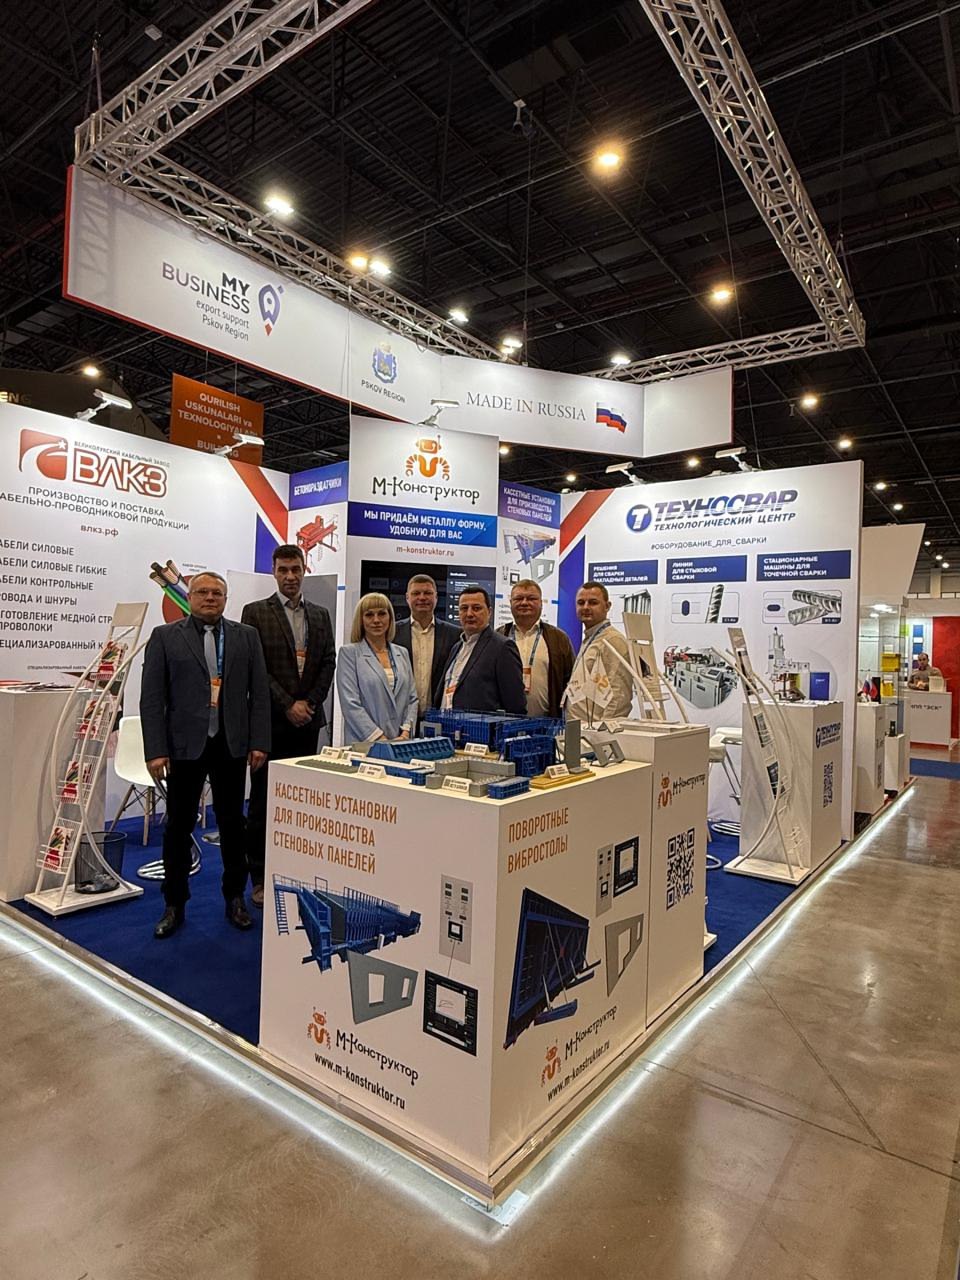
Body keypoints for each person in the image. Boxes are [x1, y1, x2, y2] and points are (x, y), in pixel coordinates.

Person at [140, 571, 270, 940]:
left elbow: (259, 693)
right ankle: (174, 904)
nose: (210, 598)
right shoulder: (165, 637)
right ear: (189, 597)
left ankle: (235, 898)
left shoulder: (246, 636)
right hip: (184, 747)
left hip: (231, 744)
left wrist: (259, 741)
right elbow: (152, 698)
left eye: (217, 593)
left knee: (232, 825)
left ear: (226, 599)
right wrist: (156, 750)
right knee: (178, 827)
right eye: (202, 592)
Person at [241, 544, 336, 906]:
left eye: (296, 569)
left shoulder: (320, 614)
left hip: (307, 724)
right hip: (270, 724)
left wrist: (309, 703)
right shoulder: (255, 612)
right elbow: (256, 668)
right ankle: (260, 876)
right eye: (283, 570)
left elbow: (328, 662)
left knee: (300, 802)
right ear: (274, 572)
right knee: (263, 803)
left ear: (304, 569)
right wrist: (288, 705)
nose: (290, 576)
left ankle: (296, 870)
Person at [336, 593, 419, 744]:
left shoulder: (402, 653)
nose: (376, 620)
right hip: (365, 743)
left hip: (401, 742)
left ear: (390, 618)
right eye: (369, 615)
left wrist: (406, 733)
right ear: (361, 620)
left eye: (382, 614)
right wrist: (380, 740)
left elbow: (412, 699)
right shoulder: (349, 654)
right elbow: (350, 704)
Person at [437, 586, 526, 715]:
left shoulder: (503, 647)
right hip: (447, 724)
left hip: (480, 727)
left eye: (476, 608)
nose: (469, 614)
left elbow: (516, 705)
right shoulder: (456, 647)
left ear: (489, 612)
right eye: (464, 608)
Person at [495, 579, 575, 718]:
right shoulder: (498, 636)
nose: (524, 603)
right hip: (503, 722)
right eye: (518, 598)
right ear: (510, 602)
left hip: (547, 723)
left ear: (541, 603)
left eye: (531, 598)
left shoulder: (559, 638)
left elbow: (571, 681)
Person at [564, 581, 635, 725]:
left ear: (607, 606)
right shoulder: (591, 638)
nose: (586, 607)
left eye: (593, 602)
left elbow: (618, 697)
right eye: (581, 602)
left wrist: (604, 732)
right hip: (580, 728)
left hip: (593, 731)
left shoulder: (613, 640)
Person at [393, 574, 460, 724]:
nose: (422, 598)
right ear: (407, 598)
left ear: (436, 597)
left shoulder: (454, 634)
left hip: (440, 720)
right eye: (416, 593)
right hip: (400, 719)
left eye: (428, 593)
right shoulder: (392, 633)